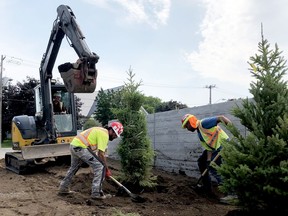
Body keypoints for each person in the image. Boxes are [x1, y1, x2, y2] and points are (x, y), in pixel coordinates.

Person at [58, 121, 124, 199]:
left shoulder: (101, 131)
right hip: (81, 147)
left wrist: (106, 169)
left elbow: (102, 154)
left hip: (74, 145)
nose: (115, 137)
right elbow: (101, 154)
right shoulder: (104, 135)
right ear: (111, 130)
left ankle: (63, 188)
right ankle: (96, 193)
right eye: (115, 135)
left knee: (73, 168)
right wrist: (106, 169)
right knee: (100, 167)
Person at [181, 114, 231, 194]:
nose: (187, 129)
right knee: (202, 162)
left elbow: (221, 118)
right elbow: (209, 148)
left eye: (187, 126)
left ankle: (231, 193)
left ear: (191, 122)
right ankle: (207, 187)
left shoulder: (204, 123)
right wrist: (208, 160)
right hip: (215, 148)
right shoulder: (200, 132)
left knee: (214, 167)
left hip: (223, 145)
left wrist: (233, 129)